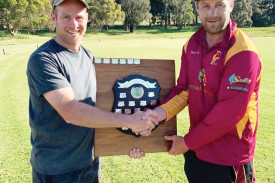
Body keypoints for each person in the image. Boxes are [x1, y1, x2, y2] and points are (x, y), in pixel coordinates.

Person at [26, 0, 157, 182]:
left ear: (87, 19)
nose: (74, 24)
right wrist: (131, 121)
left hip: (90, 165)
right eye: (66, 17)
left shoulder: (89, 57)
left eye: (79, 17)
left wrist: (133, 140)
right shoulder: (43, 59)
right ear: (53, 18)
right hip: (56, 170)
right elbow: (72, 111)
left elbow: (105, 107)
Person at [132, 0, 262, 182]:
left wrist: (186, 143)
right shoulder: (191, 45)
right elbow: (185, 90)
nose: (212, 13)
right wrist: (156, 115)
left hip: (230, 157)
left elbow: (228, 114)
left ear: (231, 5)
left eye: (220, 5)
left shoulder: (243, 51)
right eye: (206, 6)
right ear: (196, 7)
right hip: (198, 152)